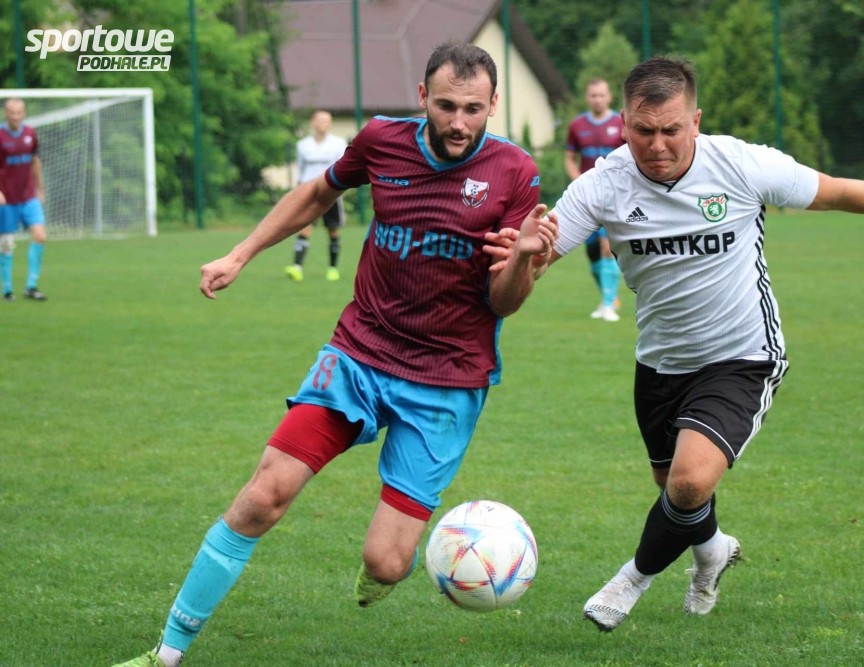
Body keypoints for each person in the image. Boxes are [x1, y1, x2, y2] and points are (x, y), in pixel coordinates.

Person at [487, 55, 864, 632]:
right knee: (675, 491)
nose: (657, 145)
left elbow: (835, 191)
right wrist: (522, 259)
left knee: (690, 481)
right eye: (643, 130)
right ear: (623, 123)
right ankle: (712, 551)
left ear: (695, 121)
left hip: (743, 354)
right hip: (660, 362)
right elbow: (513, 293)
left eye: (671, 129)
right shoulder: (602, 185)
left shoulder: (740, 164)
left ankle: (631, 579)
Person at [111, 42, 555, 667]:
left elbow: (503, 302)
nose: (459, 123)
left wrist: (524, 259)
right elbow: (318, 194)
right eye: (446, 106)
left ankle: (387, 568)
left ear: (493, 104)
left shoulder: (514, 171)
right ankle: (166, 653)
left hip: (447, 380)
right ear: (423, 97)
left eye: (473, 109)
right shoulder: (381, 141)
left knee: (387, 561)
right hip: (360, 355)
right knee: (263, 495)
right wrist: (240, 254)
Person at [564, 78, 625, 322]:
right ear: (587, 98)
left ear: (609, 96)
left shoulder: (620, 123)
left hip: (613, 195)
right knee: (592, 253)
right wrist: (578, 181)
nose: (597, 99)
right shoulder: (577, 125)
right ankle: (608, 297)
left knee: (606, 247)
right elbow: (570, 158)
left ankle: (608, 306)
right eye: (593, 95)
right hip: (587, 197)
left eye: (601, 95)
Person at [285, 110, 349, 282]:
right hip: (309, 192)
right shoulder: (303, 145)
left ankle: (333, 269)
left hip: (331, 192)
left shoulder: (338, 143)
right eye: (321, 120)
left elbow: (342, 168)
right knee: (303, 227)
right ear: (313, 123)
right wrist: (299, 190)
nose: (324, 124)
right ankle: (297, 267)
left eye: (328, 121)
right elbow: (301, 169)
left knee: (333, 230)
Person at [0, 98, 48, 302]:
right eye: (12, 113)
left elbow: (35, 162)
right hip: (6, 199)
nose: (15, 116)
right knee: (6, 244)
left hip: (28, 196)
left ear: (24, 113)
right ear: (6, 114)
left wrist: (40, 189)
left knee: (40, 236)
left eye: (19, 112)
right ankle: (7, 290)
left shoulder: (30, 133)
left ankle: (31, 286)